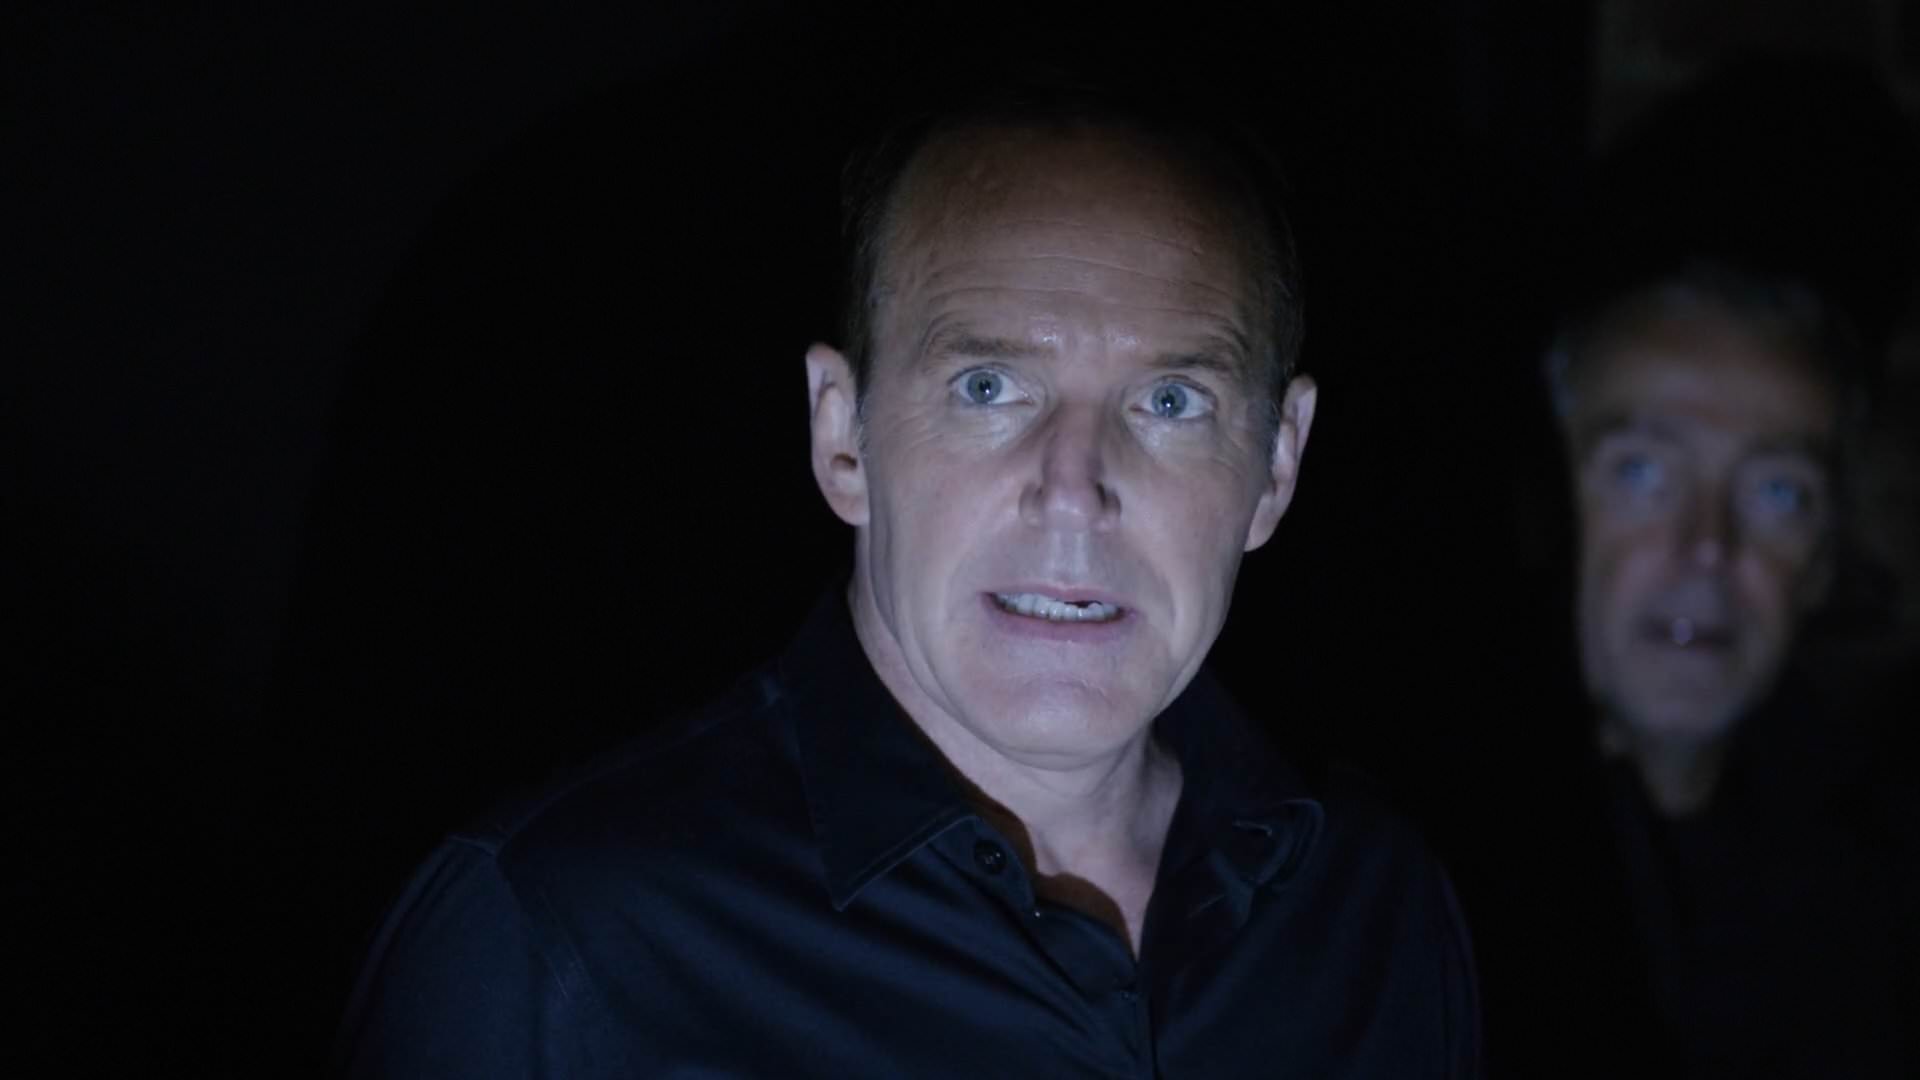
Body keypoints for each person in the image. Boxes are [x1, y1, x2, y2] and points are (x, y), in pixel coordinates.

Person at [334, 66, 1481, 1077]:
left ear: (1276, 466)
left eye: (1170, 402)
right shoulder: (556, 938)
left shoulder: (1376, 910)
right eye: (989, 388)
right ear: (842, 435)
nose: (1073, 491)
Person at [1484, 261, 1916, 1078]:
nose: (1709, 547)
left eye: (1779, 492)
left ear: (1823, 559)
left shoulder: (1881, 898)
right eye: (1642, 473)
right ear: (1545, 504)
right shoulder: (1394, 890)